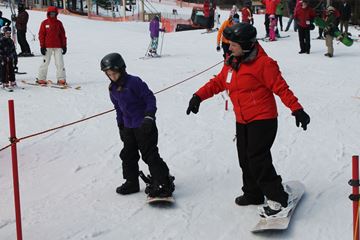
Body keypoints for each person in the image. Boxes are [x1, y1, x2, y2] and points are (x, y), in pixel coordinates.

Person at [186, 23, 310, 217]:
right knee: (244, 158)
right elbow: (219, 82)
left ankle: (278, 199)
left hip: (263, 119)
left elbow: (281, 88)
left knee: (257, 158)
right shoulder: (232, 61)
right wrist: (198, 97)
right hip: (242, 119)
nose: (229, 47)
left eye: (233, 44)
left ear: (245, 45)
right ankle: (253, 193)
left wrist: (297, 109)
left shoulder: (264, 64)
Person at [100, 52, 175, 198]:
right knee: (128, 155)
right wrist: (120, 125)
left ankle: (163, 182)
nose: (112, 76)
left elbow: (150, 98)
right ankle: (131, 182)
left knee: (149, 155)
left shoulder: (134, 82)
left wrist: (149, 117)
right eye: (109, 74)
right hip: (128, 127)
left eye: (114, 73)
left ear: (121, 69)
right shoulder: (112, 89)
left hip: (144, 125)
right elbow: (118, 108)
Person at [37, 6, 67, 86]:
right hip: (47, 46)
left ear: (56, 14)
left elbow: (62, 35)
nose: (52, 14)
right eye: (51, 13)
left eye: (54, 13)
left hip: (58, 46)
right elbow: (41, 35)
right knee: (45, 63)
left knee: (60, 63)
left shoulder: (59, 23)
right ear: (48, 14)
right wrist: (42, 46)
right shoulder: (44, 23)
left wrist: (64, 45)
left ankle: (61, 79)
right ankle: (41, 78)